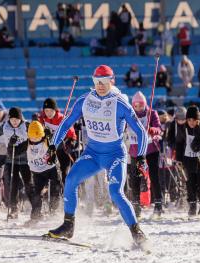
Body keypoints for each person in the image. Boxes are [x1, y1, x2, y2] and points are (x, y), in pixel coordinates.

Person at [46, 65, 149, 245]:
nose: (100, 85)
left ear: (112, 81)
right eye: (96, 82)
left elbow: (141, 132)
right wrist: (53, 145)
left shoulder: (120, 103)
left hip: (115, 154)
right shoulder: (85, 100)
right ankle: (68, 225)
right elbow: (66, 123)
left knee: (115, 192)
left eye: (104, 82)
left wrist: (141, 157)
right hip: (92, 154)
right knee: (70, 180)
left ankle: (136, 232)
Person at [127, 91, 162, 219]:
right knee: (135, 178)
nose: (138, 108)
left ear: (144, 104)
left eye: (140, 105)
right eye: (135, 106)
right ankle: (136, 206)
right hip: (136, 151)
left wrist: (153, 130)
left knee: (154, 177)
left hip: (150, 150)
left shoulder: (151, 113)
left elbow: (158, 128)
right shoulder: (130, 114)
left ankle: (158, 204)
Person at [26, 121, 62, 223]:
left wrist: (52, 156)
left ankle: (54, 210)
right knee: (37, 193)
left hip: (51, 168)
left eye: (37, 138)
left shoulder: (47, 140)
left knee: (55, 188)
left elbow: (54, 147)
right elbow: (14, 150)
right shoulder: (27, 142)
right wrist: (12, 144)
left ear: (41, 136)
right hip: (37, 172)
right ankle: (35, 216)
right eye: (32, 138)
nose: (35, 140)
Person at [2, 107, 32, 219]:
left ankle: (35, 207)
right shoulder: (6, 127)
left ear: (21, 119)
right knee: (12, 184)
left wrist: (21, 146)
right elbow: (8, 149)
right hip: (12, 159)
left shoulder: (26, 126)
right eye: (12, 119)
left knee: (28, 183)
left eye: (17, 119)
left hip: (25, 159)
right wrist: (11, 144)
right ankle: (13, 209)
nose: (14, 121)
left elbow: (32, 140)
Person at [38, 98, 77, 184]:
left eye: (50, 111)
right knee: (52, 173)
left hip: (63, 148)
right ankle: (54, 193)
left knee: (64, 171)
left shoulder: (62, 119)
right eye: (46, 111)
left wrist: (70, 143)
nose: (48, 113)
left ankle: (65, 192)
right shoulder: (42, 119)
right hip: (50, 149)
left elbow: (72, 135)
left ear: (55, 110)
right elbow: (39, 134)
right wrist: (43, 133)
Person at [176, 106, 200, 216]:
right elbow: (179, 143)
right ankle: (192, 204)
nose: (192, 123)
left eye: (194, 120)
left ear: (198, 120)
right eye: (189, 120)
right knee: (190, 183)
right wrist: (178, 159)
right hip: (188, 159)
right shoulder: (183, 128)